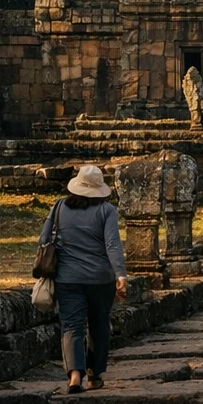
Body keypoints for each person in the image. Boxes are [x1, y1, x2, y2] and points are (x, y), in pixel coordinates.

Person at [39, 165, 128, 392]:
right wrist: (121, 274)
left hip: (67, 277)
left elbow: (43, 238)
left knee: (71, 325)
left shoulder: (59, 206)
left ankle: (74, 374)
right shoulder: (107, 210)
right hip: (101, 278)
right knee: (99, 325)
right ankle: (94, 374)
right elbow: (112, 244)